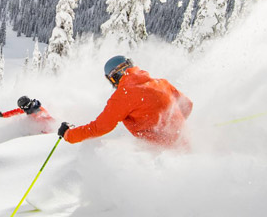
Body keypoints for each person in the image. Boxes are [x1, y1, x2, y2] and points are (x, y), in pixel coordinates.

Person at [57, 56, 193, 149]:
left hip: (161, 150)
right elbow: (187, 105)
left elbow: (100, 127)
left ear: (113, 78)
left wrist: (69, 134)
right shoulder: (161, 83)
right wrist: (174, 125)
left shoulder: (124, 96)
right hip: (185, 142)